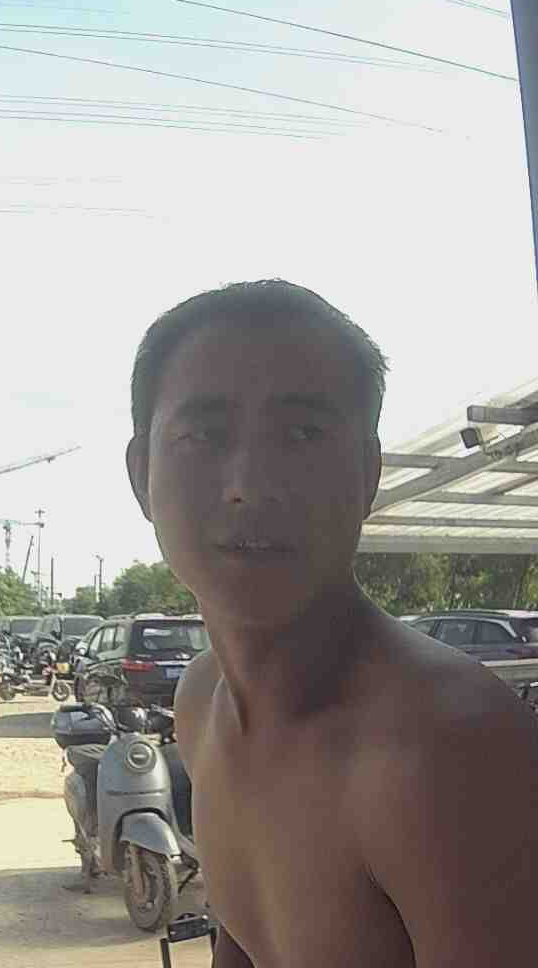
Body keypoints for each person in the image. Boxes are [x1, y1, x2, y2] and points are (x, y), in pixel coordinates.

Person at [126, 279, 538, 967]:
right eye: (203, 434)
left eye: (303, 434)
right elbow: (241, 943)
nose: (249, 484)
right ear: (142, 474)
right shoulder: (202, 701)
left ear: (368, 473)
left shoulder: (451, 748)